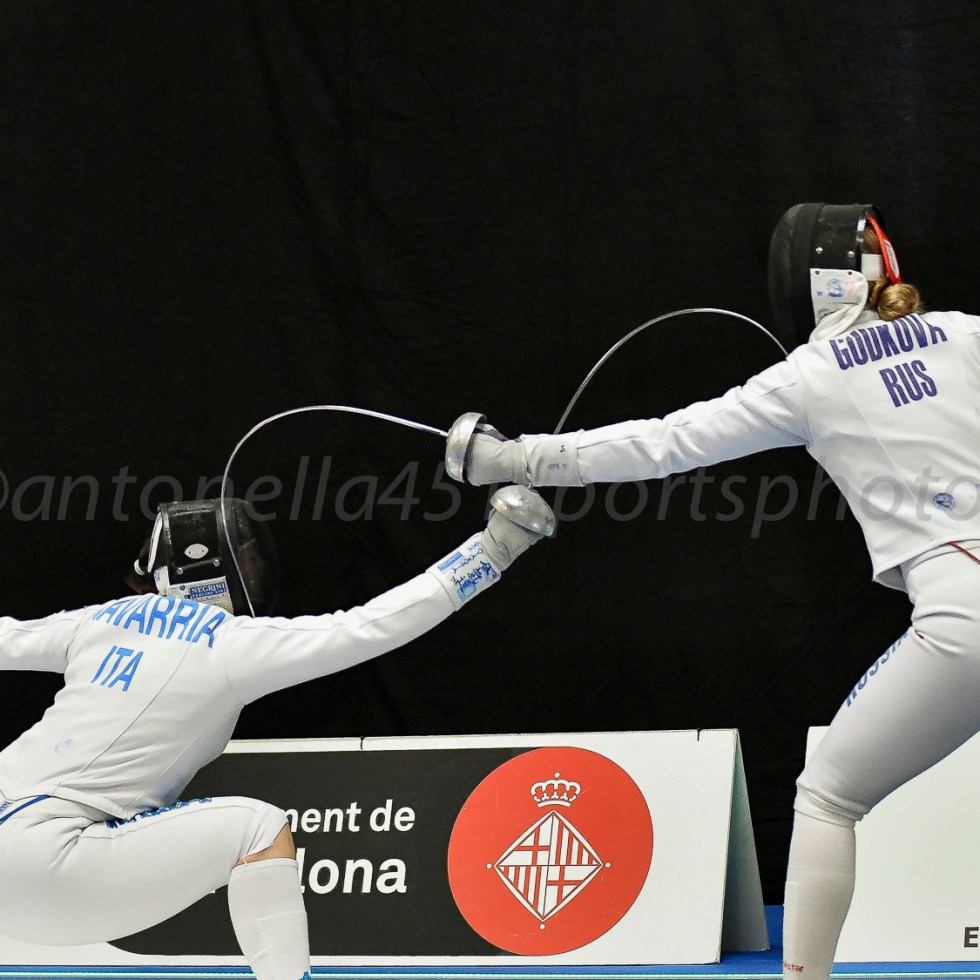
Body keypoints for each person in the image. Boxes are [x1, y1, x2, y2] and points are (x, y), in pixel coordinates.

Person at [447, 203, 980, 980]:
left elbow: (662, 443)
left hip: (962, 612)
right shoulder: (965, 333)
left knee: (829, 796)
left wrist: (511, 460)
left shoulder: (812, 378)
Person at [0, 489, 555, 980]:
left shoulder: (100, 620)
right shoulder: (230, 642)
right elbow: (371, 625)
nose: (258, 572)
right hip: (48, 865)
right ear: (217, 567)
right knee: (258, 829)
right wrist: (494, 548)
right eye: (247, 559)